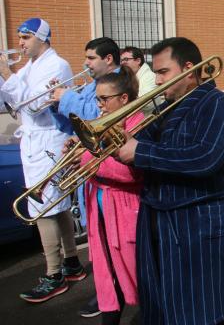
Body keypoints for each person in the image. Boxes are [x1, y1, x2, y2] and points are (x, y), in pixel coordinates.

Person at [114, 37, 224, 324]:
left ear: (190, 69)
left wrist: (141, 150)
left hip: (201, 223)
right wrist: (113, 145)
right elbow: (141, 152)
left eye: (163, 72)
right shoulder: (166, 107)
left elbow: (205, 158)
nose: (157, 79)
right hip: (162, 223)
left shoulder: (219, 104)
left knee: (211, 306)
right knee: (168, 304)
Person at [0, 18, 85, 303]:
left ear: (41, 37)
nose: (20, 43)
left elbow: (34, 105)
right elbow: (10, 102)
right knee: (56, 204)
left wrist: (6, 72)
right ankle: (71, 263)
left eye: (25, 37)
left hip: (49, 141)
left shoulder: (56, 65)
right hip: (35, 143)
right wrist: (4, 79)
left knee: (43, 206)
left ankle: (54, 274)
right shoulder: (31, 67)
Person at [50, 36, 121, 318]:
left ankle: (111, 293)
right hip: (90, 170)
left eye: (91, 58)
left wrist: (66, 98)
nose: (85, 63)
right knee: (98, 238)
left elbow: (97, 118)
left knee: (109, 239)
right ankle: (107, 290)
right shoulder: (91, 85)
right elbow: (77, 125)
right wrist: (56, 105)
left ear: (108, 59)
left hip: (108, 173)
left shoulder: (118, 84)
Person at [75, 67, 143, 324]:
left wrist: (86, 162)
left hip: (125, 209)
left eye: (104, 99)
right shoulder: (103, 121)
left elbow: (130, 173)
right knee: (107, 273)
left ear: (124, 98)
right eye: (98, 98)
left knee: (136, 275)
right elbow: (92, 157)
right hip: (100, 209)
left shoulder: (137, 122)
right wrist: (77, 151)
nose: (99, 104)